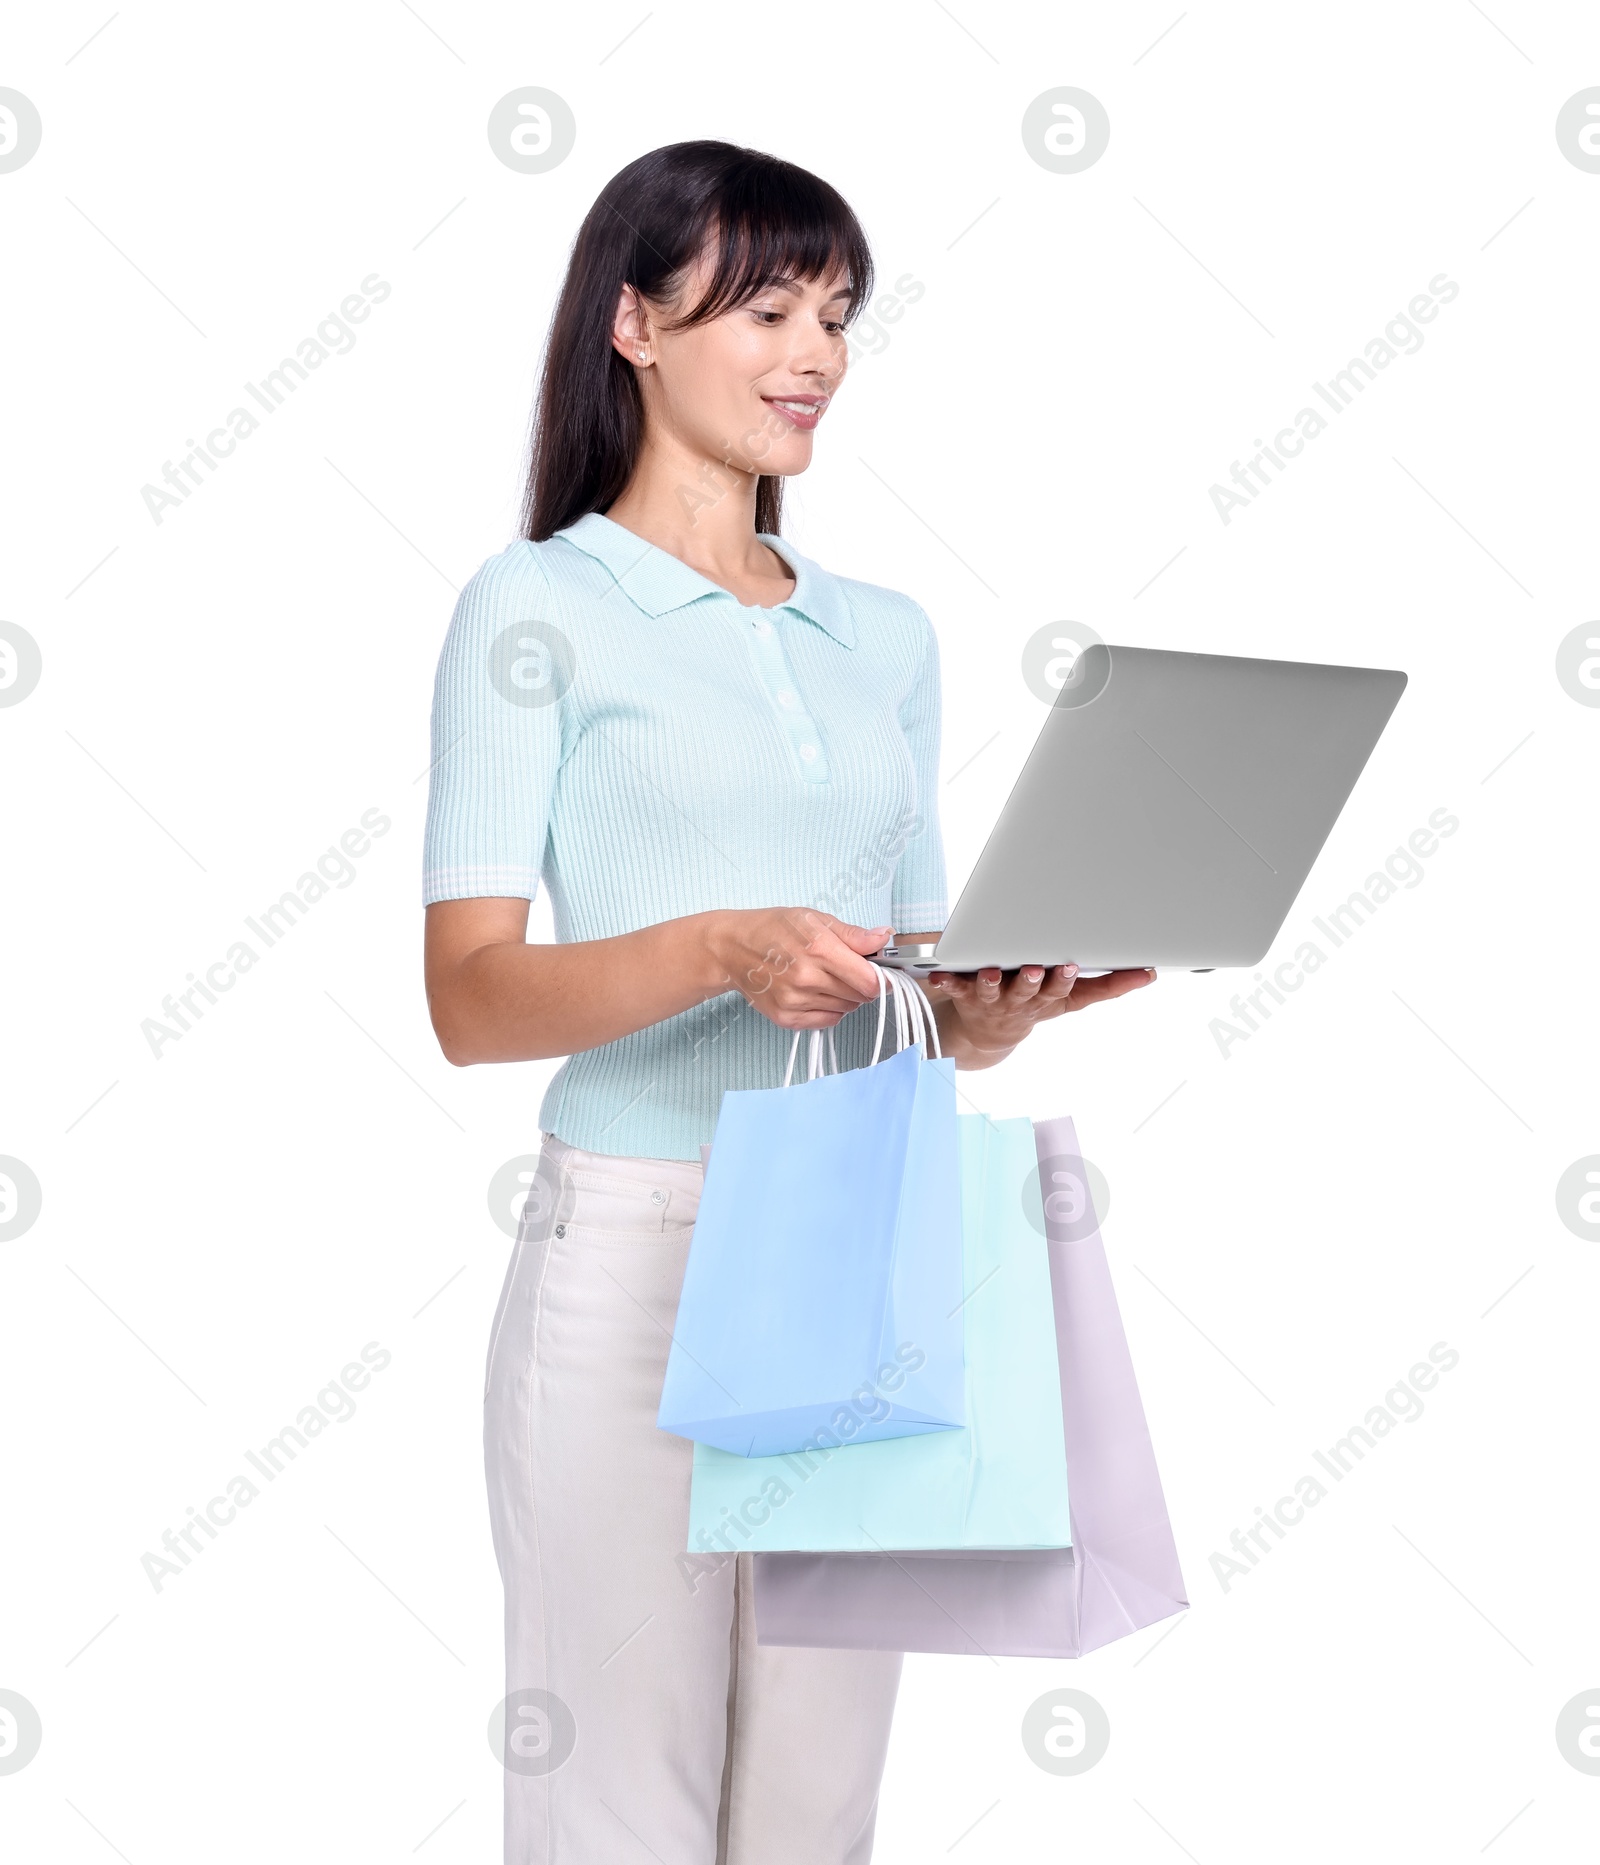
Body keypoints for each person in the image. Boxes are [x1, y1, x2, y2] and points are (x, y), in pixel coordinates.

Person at [421, 138, 1153, 1865]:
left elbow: (903, 975)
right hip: (635, 1252)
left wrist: (985, 1013)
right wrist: (713, 950)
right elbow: (468, 997)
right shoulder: (537, 608)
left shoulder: (884, 636)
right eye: (766, 305)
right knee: (622, 1797)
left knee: (817, 1803)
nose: (815, 349)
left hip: (856, 1228)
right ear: (634, 323)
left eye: (836, 311)